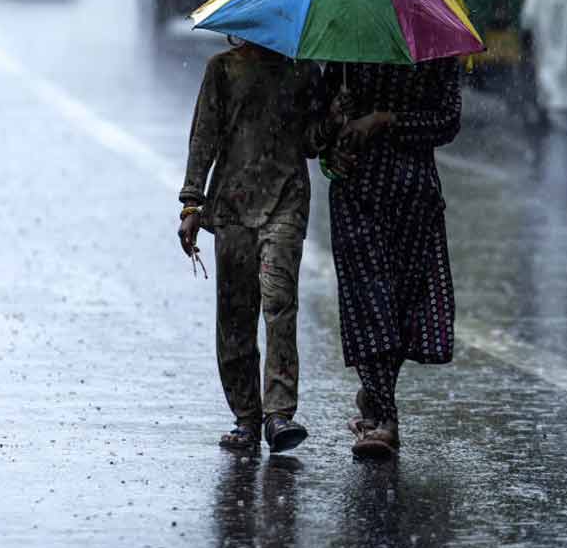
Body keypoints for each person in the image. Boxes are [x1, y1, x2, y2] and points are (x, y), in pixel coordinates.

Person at [177, 38, 347, 452]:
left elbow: (311, 143)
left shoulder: (304, 71)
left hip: (285, 205)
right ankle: (246, 417)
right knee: (235, 313)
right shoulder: (223, 69)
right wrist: (192, 202)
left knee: (278, 303)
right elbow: (205, 136)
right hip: (232, 209)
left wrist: (334, 118)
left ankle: (278, 414)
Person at [322, 58, 461, 459]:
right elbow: (315, 122)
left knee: (399, 307)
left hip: (413, 195)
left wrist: (385, 120)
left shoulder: (435, 52)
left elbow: (447, 122)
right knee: (370, 303)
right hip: (356, 193)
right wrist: (334, 135)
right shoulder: (346, 49)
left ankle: (375, 396)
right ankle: (386, 419)